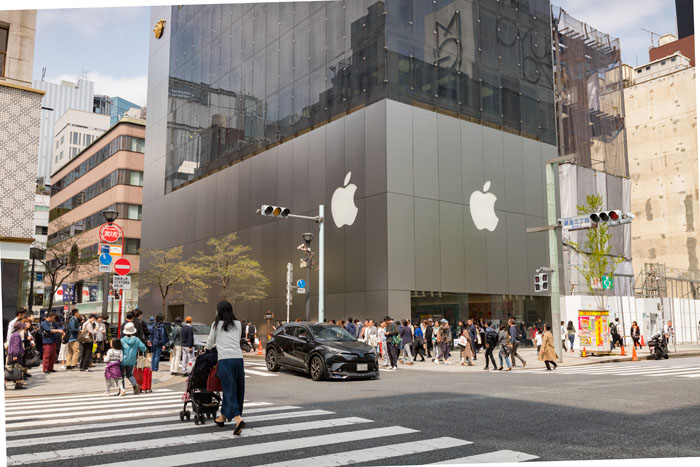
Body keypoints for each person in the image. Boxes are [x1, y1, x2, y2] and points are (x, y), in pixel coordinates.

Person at [206, 301, 246, 436]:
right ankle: (222, 417)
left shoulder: (216, 325)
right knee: (237, 389)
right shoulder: (238, 324)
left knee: (228, 389)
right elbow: (236, 339)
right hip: (238, 359)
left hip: (225, 360)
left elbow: (210, 342)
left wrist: (206, 349)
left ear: (219, 311)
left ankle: (238, 419)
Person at [120, 322, 147, 394]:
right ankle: (135, 384)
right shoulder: (137, 340)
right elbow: (143, 348)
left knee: (121, 375)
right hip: (132, 359)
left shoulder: (122, 340)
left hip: (123, 359)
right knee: (129, 374)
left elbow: (120, 350)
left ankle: (122, 390)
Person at [7, 321, 28, 389]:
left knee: (15, 369)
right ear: (20, 328)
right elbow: (15, 346)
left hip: (13, 354)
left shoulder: (14, 334)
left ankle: (18, 384)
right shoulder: (17, 335)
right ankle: (17, 384)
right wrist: (15, 355)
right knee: (15, 369)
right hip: (16, 355)